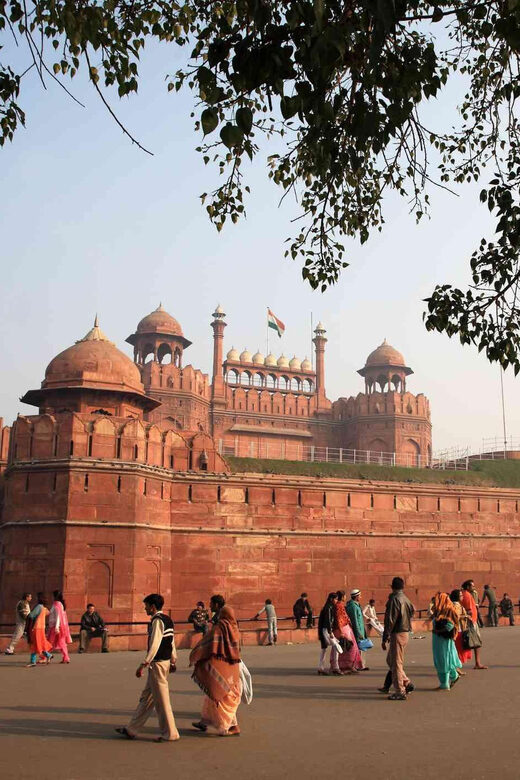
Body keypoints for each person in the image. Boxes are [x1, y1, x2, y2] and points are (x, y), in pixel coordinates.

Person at [115, 593, 179, 742]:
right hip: (163, 662)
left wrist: (144, 663)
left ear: (153, 607)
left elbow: (155, 643)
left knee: (162, 700)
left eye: (146, 606)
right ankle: (131, 729)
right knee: (147, 699)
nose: (145, 609)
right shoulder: (167, 619)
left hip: (157, 664)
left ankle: (171, 734)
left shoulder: (157, 621)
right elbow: (171, 641)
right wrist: (173, 660)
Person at [190, 596, 241, 737]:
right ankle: (205, 722)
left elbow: (207, 643)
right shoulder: (234, 629)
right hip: (232, 667)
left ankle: (231, 726)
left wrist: (195, 655)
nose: (210, 605)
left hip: (221, 667)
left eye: (211, 603)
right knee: (213, 696)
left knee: (222, 697)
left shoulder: (220, 627)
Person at [382, 577, 415, 700]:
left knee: (396, 663)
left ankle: (400, 691)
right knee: (391, 660)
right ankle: (406, 682)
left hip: (397, 633)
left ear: (392, 587)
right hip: (404, 632)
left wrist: (385, 636)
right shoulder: (405, 598)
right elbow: (412, 611)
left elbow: (390, 620)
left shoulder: (395, 599)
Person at [431, 592, 462, 690]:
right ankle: (454, 676)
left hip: (444, 640)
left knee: (444, 660)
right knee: (443, 660)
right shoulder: (439, 611)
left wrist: (438, 631)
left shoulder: (448, 610)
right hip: (438, 640)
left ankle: (444, 684)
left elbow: (450, 626)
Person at [331, 590, 362, 674]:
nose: (345, 597)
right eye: (344, 596)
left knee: (344, 647)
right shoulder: (339, 606)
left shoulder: (339, 605)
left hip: (344, 628)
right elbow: (338, 619)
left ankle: (345, 666)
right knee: (349, 647)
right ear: (342, 597)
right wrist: (341, 630)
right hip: (343, 628)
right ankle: (347, 666)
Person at [461, 580, 487, 670]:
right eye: (472, 586)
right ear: (468, 587)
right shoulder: (467, 595)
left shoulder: (464, 594)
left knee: (470, 643)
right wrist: (472, 620)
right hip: (471, 621)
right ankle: (477, 663)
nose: (474, 587)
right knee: (477, 643)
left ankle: (477, 663)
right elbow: (469, 610)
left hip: (470, 621)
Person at [26, 593, 53, 668]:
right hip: (42, 628)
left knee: (34, 644)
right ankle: (48, 655)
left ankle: (33, 661)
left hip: (36, 628)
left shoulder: (38, 607)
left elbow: (31, 615)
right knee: (40, 644)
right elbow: (48, 613)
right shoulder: (44, 608)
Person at [346, 588, 369, 670]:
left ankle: (360, 665)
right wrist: (359, 633)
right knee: (357, 648)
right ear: (356, 596)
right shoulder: (353, 607)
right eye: (360, 595)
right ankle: (357, 665)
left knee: (360, 648)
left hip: (360, 630)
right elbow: (355, 621)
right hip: (357, 631)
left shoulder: (356, 605)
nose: (361, 597)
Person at [48, 590, 72, 664]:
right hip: (58, 626)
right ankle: (66, 657)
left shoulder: (57, 604)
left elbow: (58, 617)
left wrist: (57, 627)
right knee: (61, 642)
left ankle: (45, 656)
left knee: (50, 642)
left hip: (56, 626)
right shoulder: (59, 604)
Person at [317, 592, 338, 675]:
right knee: (336, 646)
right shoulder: (328, 608)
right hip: (326, 630)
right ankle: (336, 667)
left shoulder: (327, 607)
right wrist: (330, 632)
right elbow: (328, 620)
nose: (336, 601)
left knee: (324, 648)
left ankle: (320, 667)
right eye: (335, 599)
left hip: (323, 630)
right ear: (331, 599)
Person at [450, 589, 472, 666]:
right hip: (458, 629)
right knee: (458, 649)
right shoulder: (456, 605)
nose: (462, 597)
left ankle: (456, 666)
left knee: (457, 649)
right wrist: (466, 616)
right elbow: (456, 616)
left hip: (457, 629)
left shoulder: (454, 604)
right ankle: (456, 667)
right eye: (461, 595)